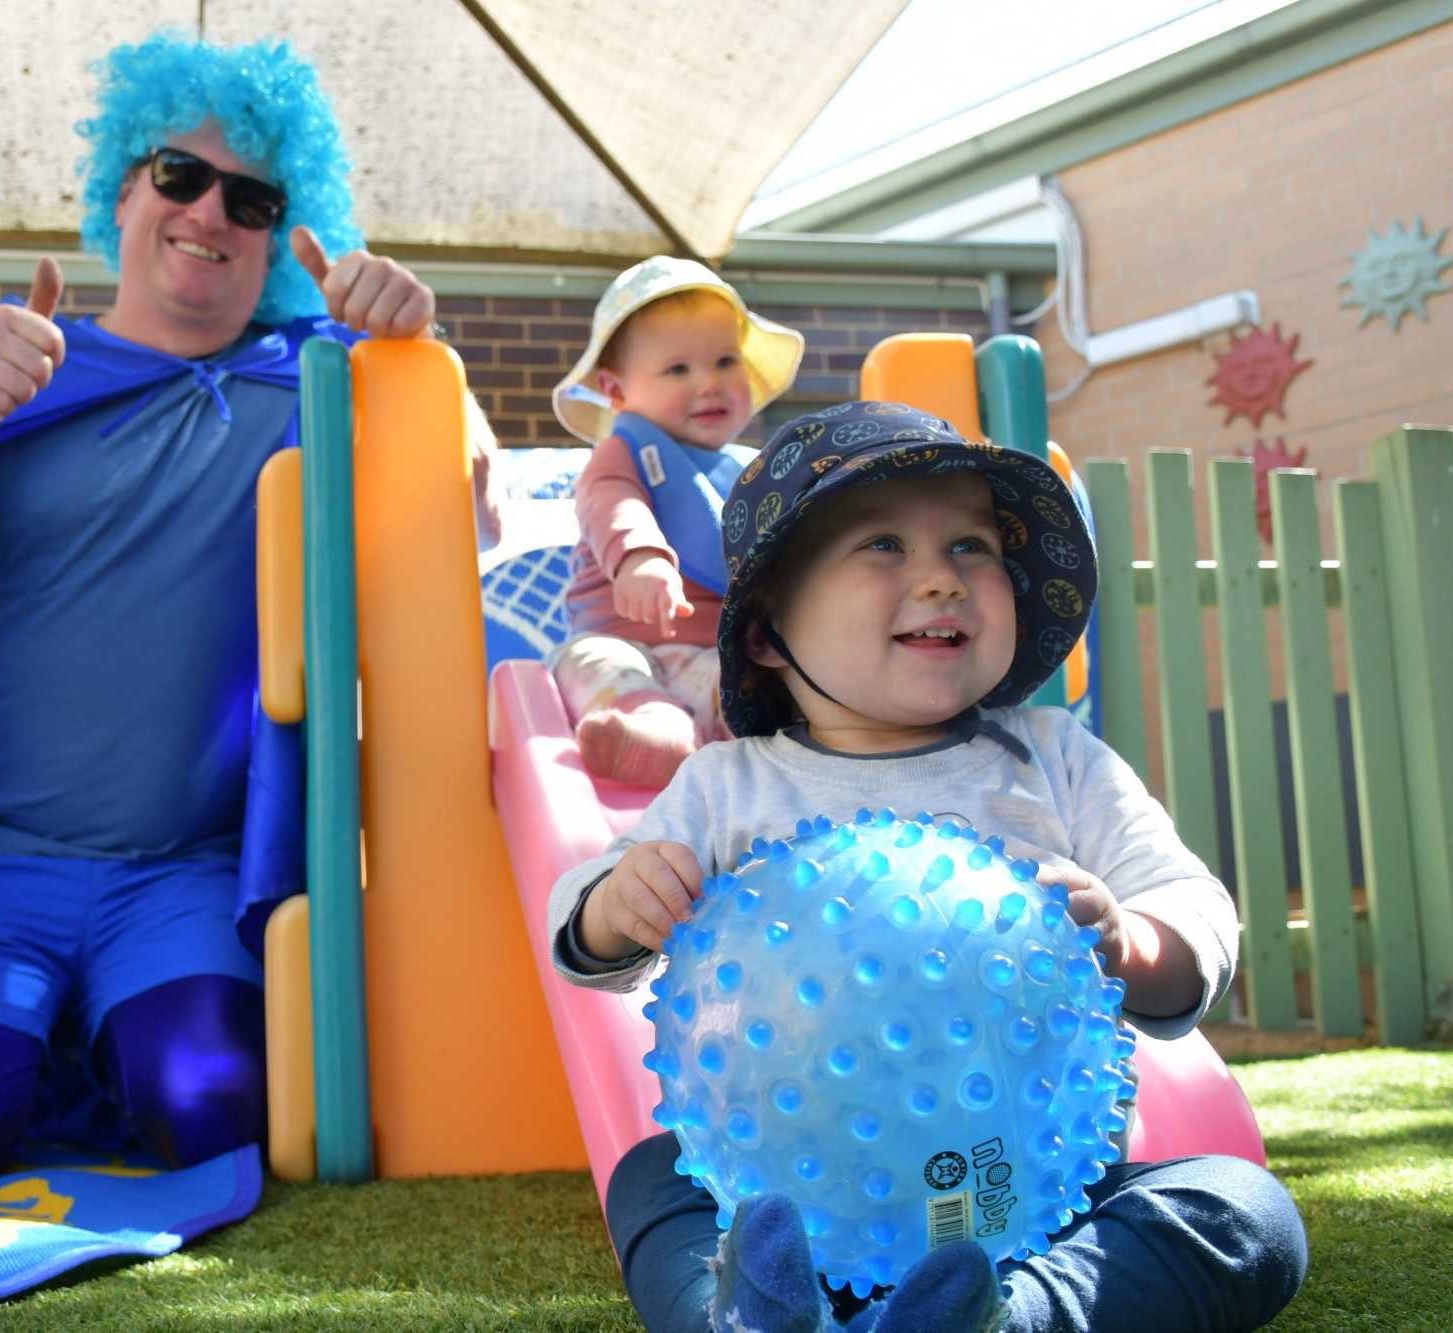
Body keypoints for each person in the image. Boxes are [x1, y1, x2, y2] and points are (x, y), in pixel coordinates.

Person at [0, 35, 434, 1191]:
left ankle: (82, 1041)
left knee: (214, 1100)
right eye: (179, 174)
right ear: (121, 189)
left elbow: (472, 511)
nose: (211, 210)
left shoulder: (316, 382)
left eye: (251, 199)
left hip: (179, 874)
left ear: (278, 243)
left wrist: (413, 353)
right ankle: (30, 1037)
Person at [546, 402, 1308, 1332]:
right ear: (765, 632)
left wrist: (1129, 939)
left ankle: (1007, 1318)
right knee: (653, 1177)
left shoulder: (1053, 757)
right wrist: (616, 905)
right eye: (883, 545)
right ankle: (742, 1314)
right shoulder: (725, 785)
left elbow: (1192, 904)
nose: (943, 579)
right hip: (785, 1198)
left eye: (973, 547)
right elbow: (579, 919)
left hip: (1031, 1189)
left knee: (1245, 1208)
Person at [550, 257, 803, 787]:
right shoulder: (623, 454)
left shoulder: (750, 471)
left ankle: (778, 759)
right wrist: (638, 556)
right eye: (679, 369)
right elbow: (611, 503)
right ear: (616, 392)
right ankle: (658, 736)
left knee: (772, 682)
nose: (709, 383)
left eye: (726, 362)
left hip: (717, 657)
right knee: (595, 665)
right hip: (625, 641)